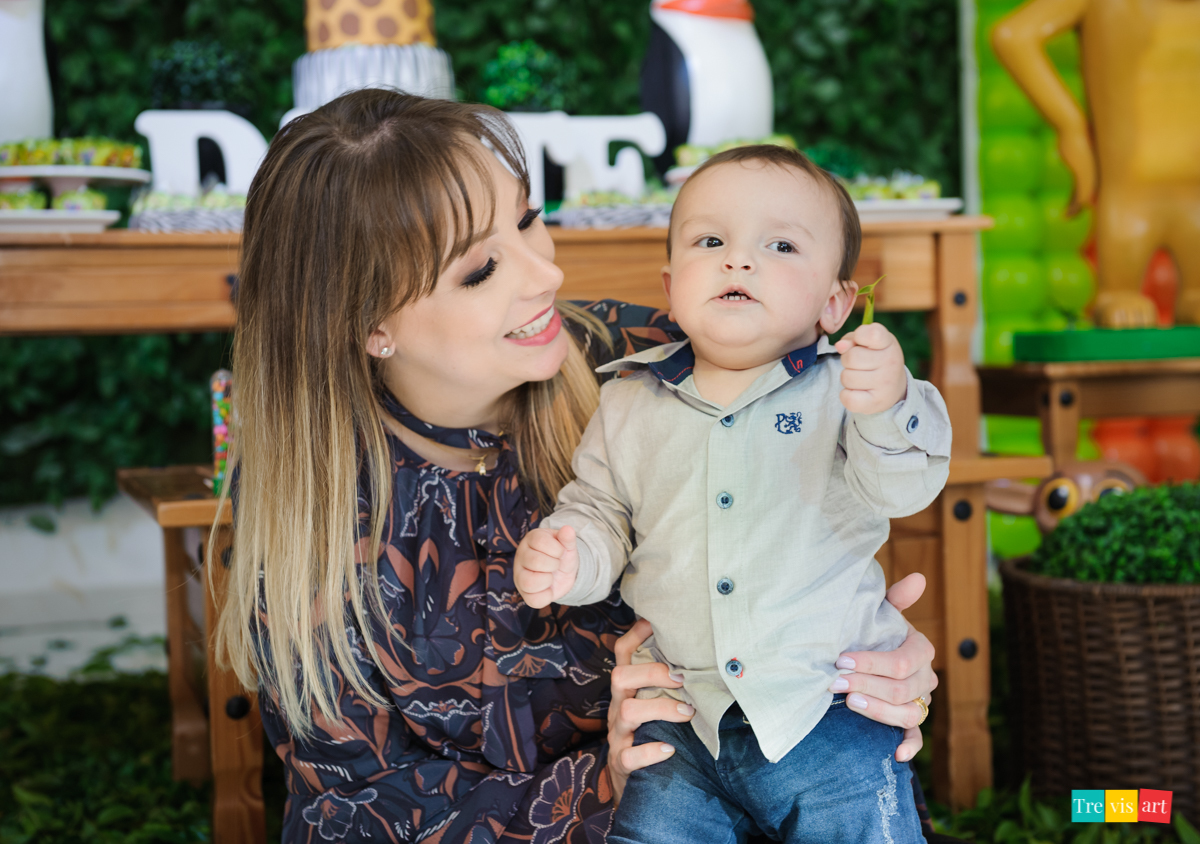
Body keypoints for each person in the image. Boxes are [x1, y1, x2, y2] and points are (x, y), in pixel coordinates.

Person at [213, 89, 940, 843]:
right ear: (370, 325)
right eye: (480, 269)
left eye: (529, 219)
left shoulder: (667, 363)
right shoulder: (321, 515)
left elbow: (826, 498)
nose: (545, 275)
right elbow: (350, 808)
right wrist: (610, 786)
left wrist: (881, 669)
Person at [514, 145, 950, 844]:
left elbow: (902, 488)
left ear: (835, 302)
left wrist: (889, 404)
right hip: (680, 719)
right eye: (710, 241)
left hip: (825, 705)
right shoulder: (627, 399)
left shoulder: (848, 393)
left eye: (781, 245)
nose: (738, 261)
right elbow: (601, 512)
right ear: (672, 283)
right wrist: (570, 556)